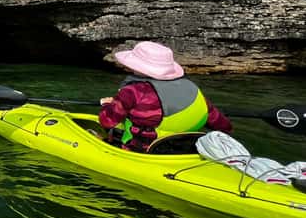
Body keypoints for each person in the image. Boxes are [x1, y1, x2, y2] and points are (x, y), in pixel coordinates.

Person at [99, 41, 231, 152]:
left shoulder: (132, 92)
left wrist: (107, 105)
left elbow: (107, 120)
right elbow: (223, 125)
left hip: (144, 151)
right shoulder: (192, 88)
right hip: (187, 149)